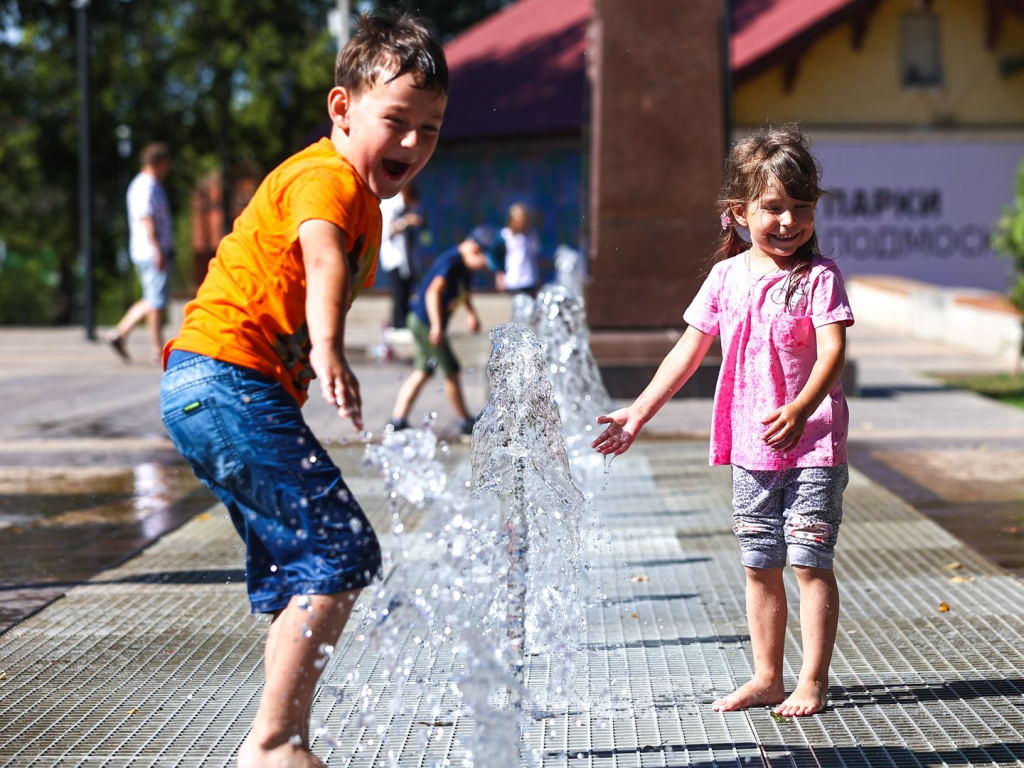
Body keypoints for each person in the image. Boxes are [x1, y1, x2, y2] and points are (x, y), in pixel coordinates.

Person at [159, 13, 447, 767]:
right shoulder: (327, 179)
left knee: (305, 570)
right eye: (397, 122)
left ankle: (281, 739)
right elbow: (320, 261)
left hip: (210, 386)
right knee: (342, 549)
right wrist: (327, 349)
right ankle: (276, 743)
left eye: (430, 129)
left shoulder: (365, 203)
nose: (413, 144)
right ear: (342, 107)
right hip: (227, 379)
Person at [593, 125, 854, 719]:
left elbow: (834, 351)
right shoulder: (726, 278)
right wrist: (638, 411)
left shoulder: (819, 278)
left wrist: (801, 408)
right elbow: (687, 353)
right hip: (751, 448)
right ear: (738, 212)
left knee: (810, 561)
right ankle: (766, 677)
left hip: (812, 443)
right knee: (761, 563)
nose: (789, 222)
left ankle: (811, 680)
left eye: (802, 208)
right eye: (773, 208)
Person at [387, 226, 494, 436]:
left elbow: (464, 292)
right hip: (426, 323)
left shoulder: (464, 266)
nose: (484, 269)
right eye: (484, 264)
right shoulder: (452, 262)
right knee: (451, 370)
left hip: (422, 322)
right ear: (474, 249)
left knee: (422, 371)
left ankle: (397, 420)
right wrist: (436, 325)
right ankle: (464, 421)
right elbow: (432, 293)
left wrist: (471, 313)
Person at [106, 142, 174, 365]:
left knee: (151, 298)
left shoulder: (144, 184)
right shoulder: (147, 185)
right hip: (151, 250)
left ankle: (121, 334)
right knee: (155, 301)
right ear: (159, 162)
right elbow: (147, 217)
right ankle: (155, 349)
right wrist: (157, 249)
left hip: (145, 250)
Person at [379, 181, 425, 330]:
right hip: (394, 259)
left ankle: (401, 324)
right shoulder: (392, 205)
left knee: (405, 292)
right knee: (399, 293)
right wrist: (406, 222)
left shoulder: (403, 208)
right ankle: (398, 326)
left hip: (405, 259)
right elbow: (385, 232)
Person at [494, 202, 541, 295]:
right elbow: (497, 256)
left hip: (529, 279)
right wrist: (499, 275)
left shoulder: (531, 234)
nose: (521, 225)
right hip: (513, 280)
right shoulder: (505, 235)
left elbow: (535, 254)